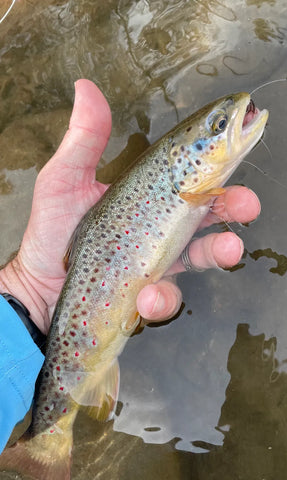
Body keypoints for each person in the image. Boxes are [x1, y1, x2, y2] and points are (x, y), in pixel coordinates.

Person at [0, 79, 261, 453]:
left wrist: (27, 287)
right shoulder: (192, 190)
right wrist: (30, 284)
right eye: (219, 127)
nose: (232, 122)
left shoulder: (193, 188)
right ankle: (46, 441)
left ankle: (50, 430)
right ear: (182, 163)